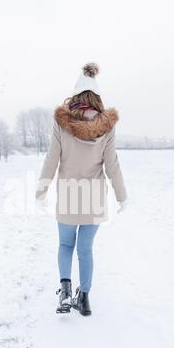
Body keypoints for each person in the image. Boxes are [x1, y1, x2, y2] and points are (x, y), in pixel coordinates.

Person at [35, 63, 127, 316]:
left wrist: (41, 191)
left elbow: (51, 158)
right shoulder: (107, 125)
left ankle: (65, 291)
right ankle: (84, 298)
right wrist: (122, 196)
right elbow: (112, 164)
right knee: (85, 249)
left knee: (66, 246)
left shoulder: (62, 122)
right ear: (97, 98)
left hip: (68, 195)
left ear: (75, 96)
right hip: (94, 199)